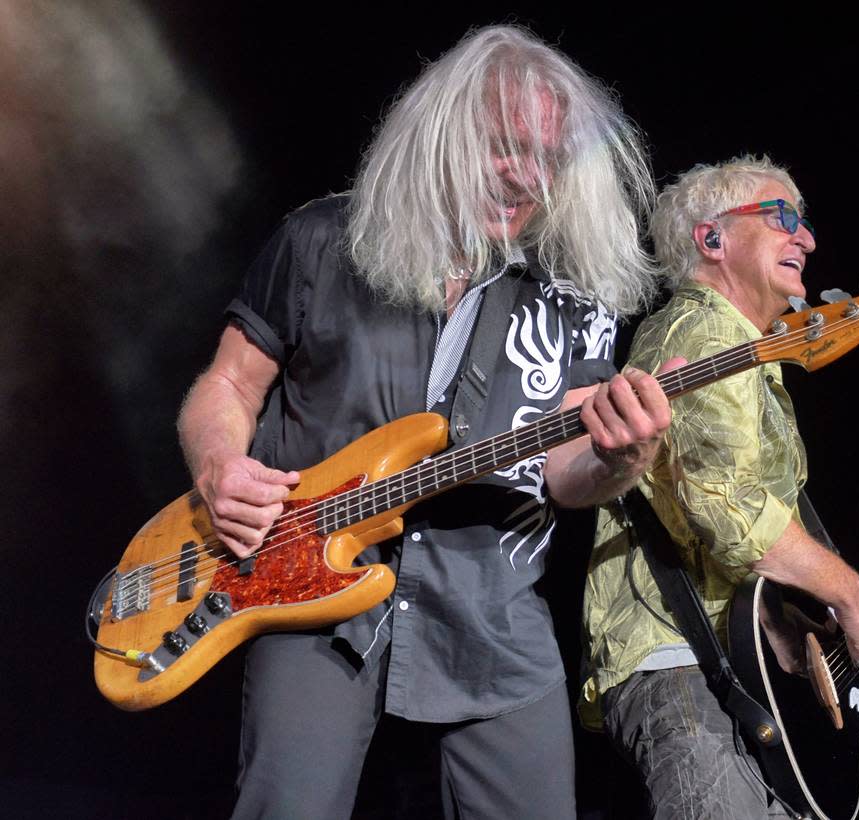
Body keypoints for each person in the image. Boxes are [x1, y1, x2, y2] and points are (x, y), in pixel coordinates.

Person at [177, 26, 679, 820]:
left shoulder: (577, 300)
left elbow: (562, 472)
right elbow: (229, 384)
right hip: (307, 589)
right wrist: (217, 468)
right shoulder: (322, 240)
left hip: (493, 606)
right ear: (441, 130)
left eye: (550, 160)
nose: (526, 178)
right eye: (505, 146)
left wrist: (624, 457)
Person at [580, 156, 859, 818]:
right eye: (782, 217)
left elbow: (748, 558)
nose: (805, 239)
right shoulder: (702, 330)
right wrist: (851, 600)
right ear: (712, 239)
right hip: (682, 663)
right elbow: (736, 513)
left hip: (731, 667)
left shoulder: (753, 356)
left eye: (803, 223)